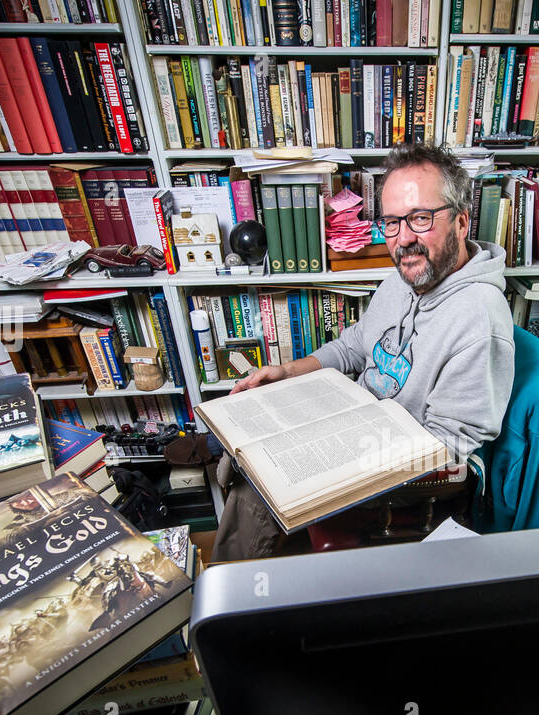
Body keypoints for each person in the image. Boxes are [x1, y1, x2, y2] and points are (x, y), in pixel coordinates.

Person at [211, 142, 515, 561]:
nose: (404, 239)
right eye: (392, 223)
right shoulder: (406, 277)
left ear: (461, 222)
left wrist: (346, 456)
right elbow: (356, 344)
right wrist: (289, 371)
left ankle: (232, 606)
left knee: (259, 486)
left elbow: (452, 444)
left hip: (400, 471)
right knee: (252, 440)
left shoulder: (479, 318)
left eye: (421, 218)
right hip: (352, 424)